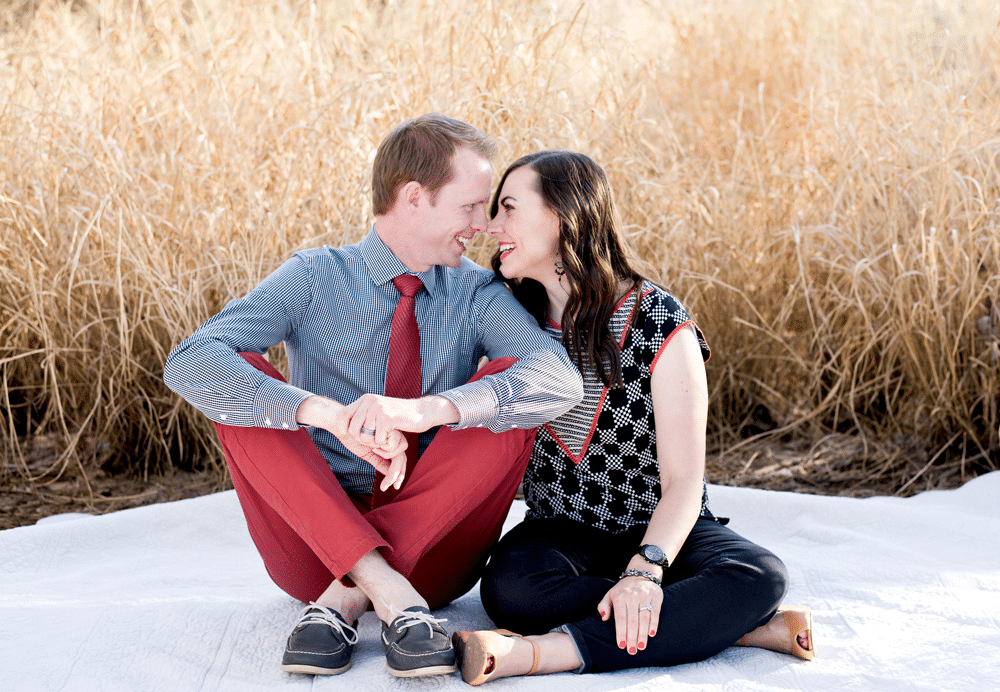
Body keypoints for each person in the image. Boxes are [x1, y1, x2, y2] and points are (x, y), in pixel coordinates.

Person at [162, 116, 584, 679]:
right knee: (237, 378)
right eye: (470, 207)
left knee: (507, 390)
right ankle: (383, 588)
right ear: (415, 196)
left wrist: (427, 410)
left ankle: (343, 603)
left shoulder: (477, 293)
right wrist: (323, 414)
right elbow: (188, 360)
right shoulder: (312, 276)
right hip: (313, 539)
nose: (483, 226)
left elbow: (557, 380)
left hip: (434, 552)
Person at [452, 150, 814, 685]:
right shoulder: (510, 317)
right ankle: (723, 625)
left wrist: (645, 571)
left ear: (563, 215)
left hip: (663, 530)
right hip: (561, 534)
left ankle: (547, 654)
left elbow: (685, 481)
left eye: (508, 208)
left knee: (758, 576)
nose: (490, 226)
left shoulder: (660, 321)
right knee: (510, 590)